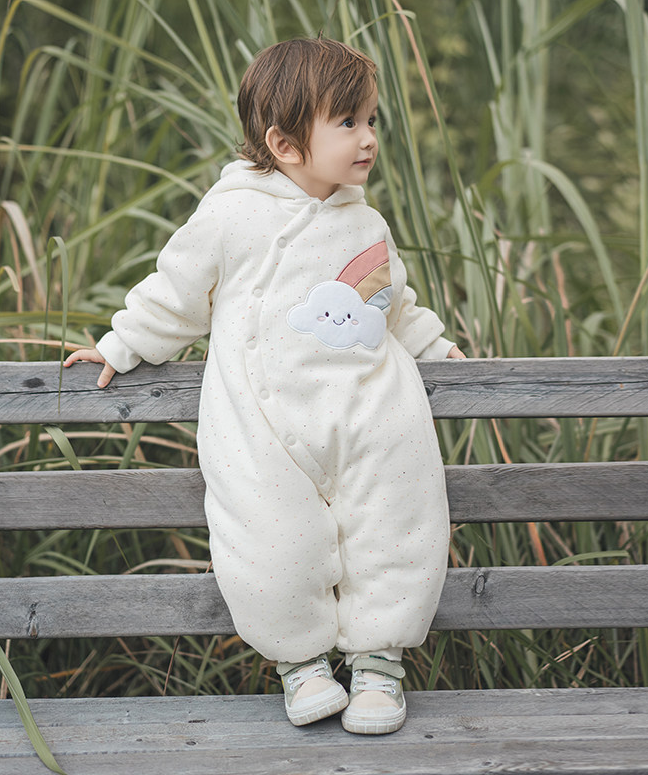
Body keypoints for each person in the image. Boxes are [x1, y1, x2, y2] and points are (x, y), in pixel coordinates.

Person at [64, 37, 466, 735]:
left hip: (373, 414)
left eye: (371, 120)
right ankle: (302, 665)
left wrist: (437, 348)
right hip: (264, 424)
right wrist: (120, 344)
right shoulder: (231, 216)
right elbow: (177, 292)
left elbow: (389, 303)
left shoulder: (365, 222)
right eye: (348, 122)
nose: (368, 138)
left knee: (396, 528)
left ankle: (379, 666)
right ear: (284, 143)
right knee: (268, 544)